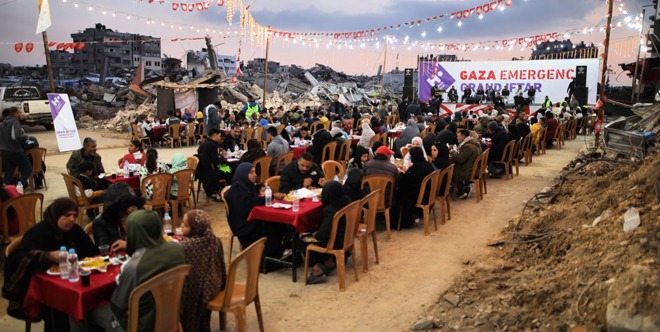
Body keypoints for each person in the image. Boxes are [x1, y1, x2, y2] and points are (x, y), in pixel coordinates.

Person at [2, 198, 98, 331]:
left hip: (73, 283)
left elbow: (92, 253)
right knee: (61, 309)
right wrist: (48, 256)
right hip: (45, 291)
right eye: (67, 215)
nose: (72, 219)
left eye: (74, 216)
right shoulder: (39, 232)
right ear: (56, 215)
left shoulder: (74, 230)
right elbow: (16, 258)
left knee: (94, 299)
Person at [110, 210, 185, 332]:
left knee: (94, 313)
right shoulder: (178, 250)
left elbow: (117, 306)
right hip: (173, 316)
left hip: (143, 326)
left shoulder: (134, 266)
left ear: (133, 234)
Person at [180, 210, 227, 332]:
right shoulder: (214, 239)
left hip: (200, 290)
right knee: (173, 199)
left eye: (185, 225)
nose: (180, 226)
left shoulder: (186, 247)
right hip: (215, 283)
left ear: (195, 229)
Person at [305, 181, 353, 284]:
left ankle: (316, 268)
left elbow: (322, 236)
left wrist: (313, 234)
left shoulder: (330, 209)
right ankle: (327, 260)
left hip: (333, 242)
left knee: (302, 239)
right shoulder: (348, 201)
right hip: (346, 238)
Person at [93, 182, 146, 253]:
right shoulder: (100, 222)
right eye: (125, 206)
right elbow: (104, 249)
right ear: (116, 208)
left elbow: (151, 238)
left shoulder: (138, 213)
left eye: (131, 204)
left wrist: (136, 218)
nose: (129, 209)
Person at [394, 147, 435, 228]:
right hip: (428, 194)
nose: (410, 157)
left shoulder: (416, 168)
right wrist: (407, 171)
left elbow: (405, 182)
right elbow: (413, 177)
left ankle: (398, 222)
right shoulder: (427, 165)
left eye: (411, 155)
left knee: (396, 192)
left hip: (419, 196)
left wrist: (401, 173)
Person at [0, 107, 32, 187]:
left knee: (9, 173)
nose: (21, 114)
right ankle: (20, 186)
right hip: (15, 151)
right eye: (19, 112)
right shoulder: (15, 122)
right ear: (15, 113)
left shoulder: (2, 123)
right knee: (28, 169)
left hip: (5, 151)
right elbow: (15, 137)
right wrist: (25, 137)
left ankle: (4, 191)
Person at [196, 129, 230, 201]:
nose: (220, 138)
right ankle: (224, 191)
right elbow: (216, 162)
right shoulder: (213, 145)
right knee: (230, 169)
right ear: (215, 135)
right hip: (212, 172)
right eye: (219, 136)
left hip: (202, 171)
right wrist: (222, 156)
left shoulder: (203, 144)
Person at [450, 129, 482, 199]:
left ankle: (462, 190)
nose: (457, 138)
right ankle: (463, 187)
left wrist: (452, 152)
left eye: (458, 136)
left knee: (449, 172)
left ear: (463, 136)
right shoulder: (473, 143)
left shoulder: (468, 146)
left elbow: (460, 159)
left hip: (467, 170)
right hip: (474, 167)